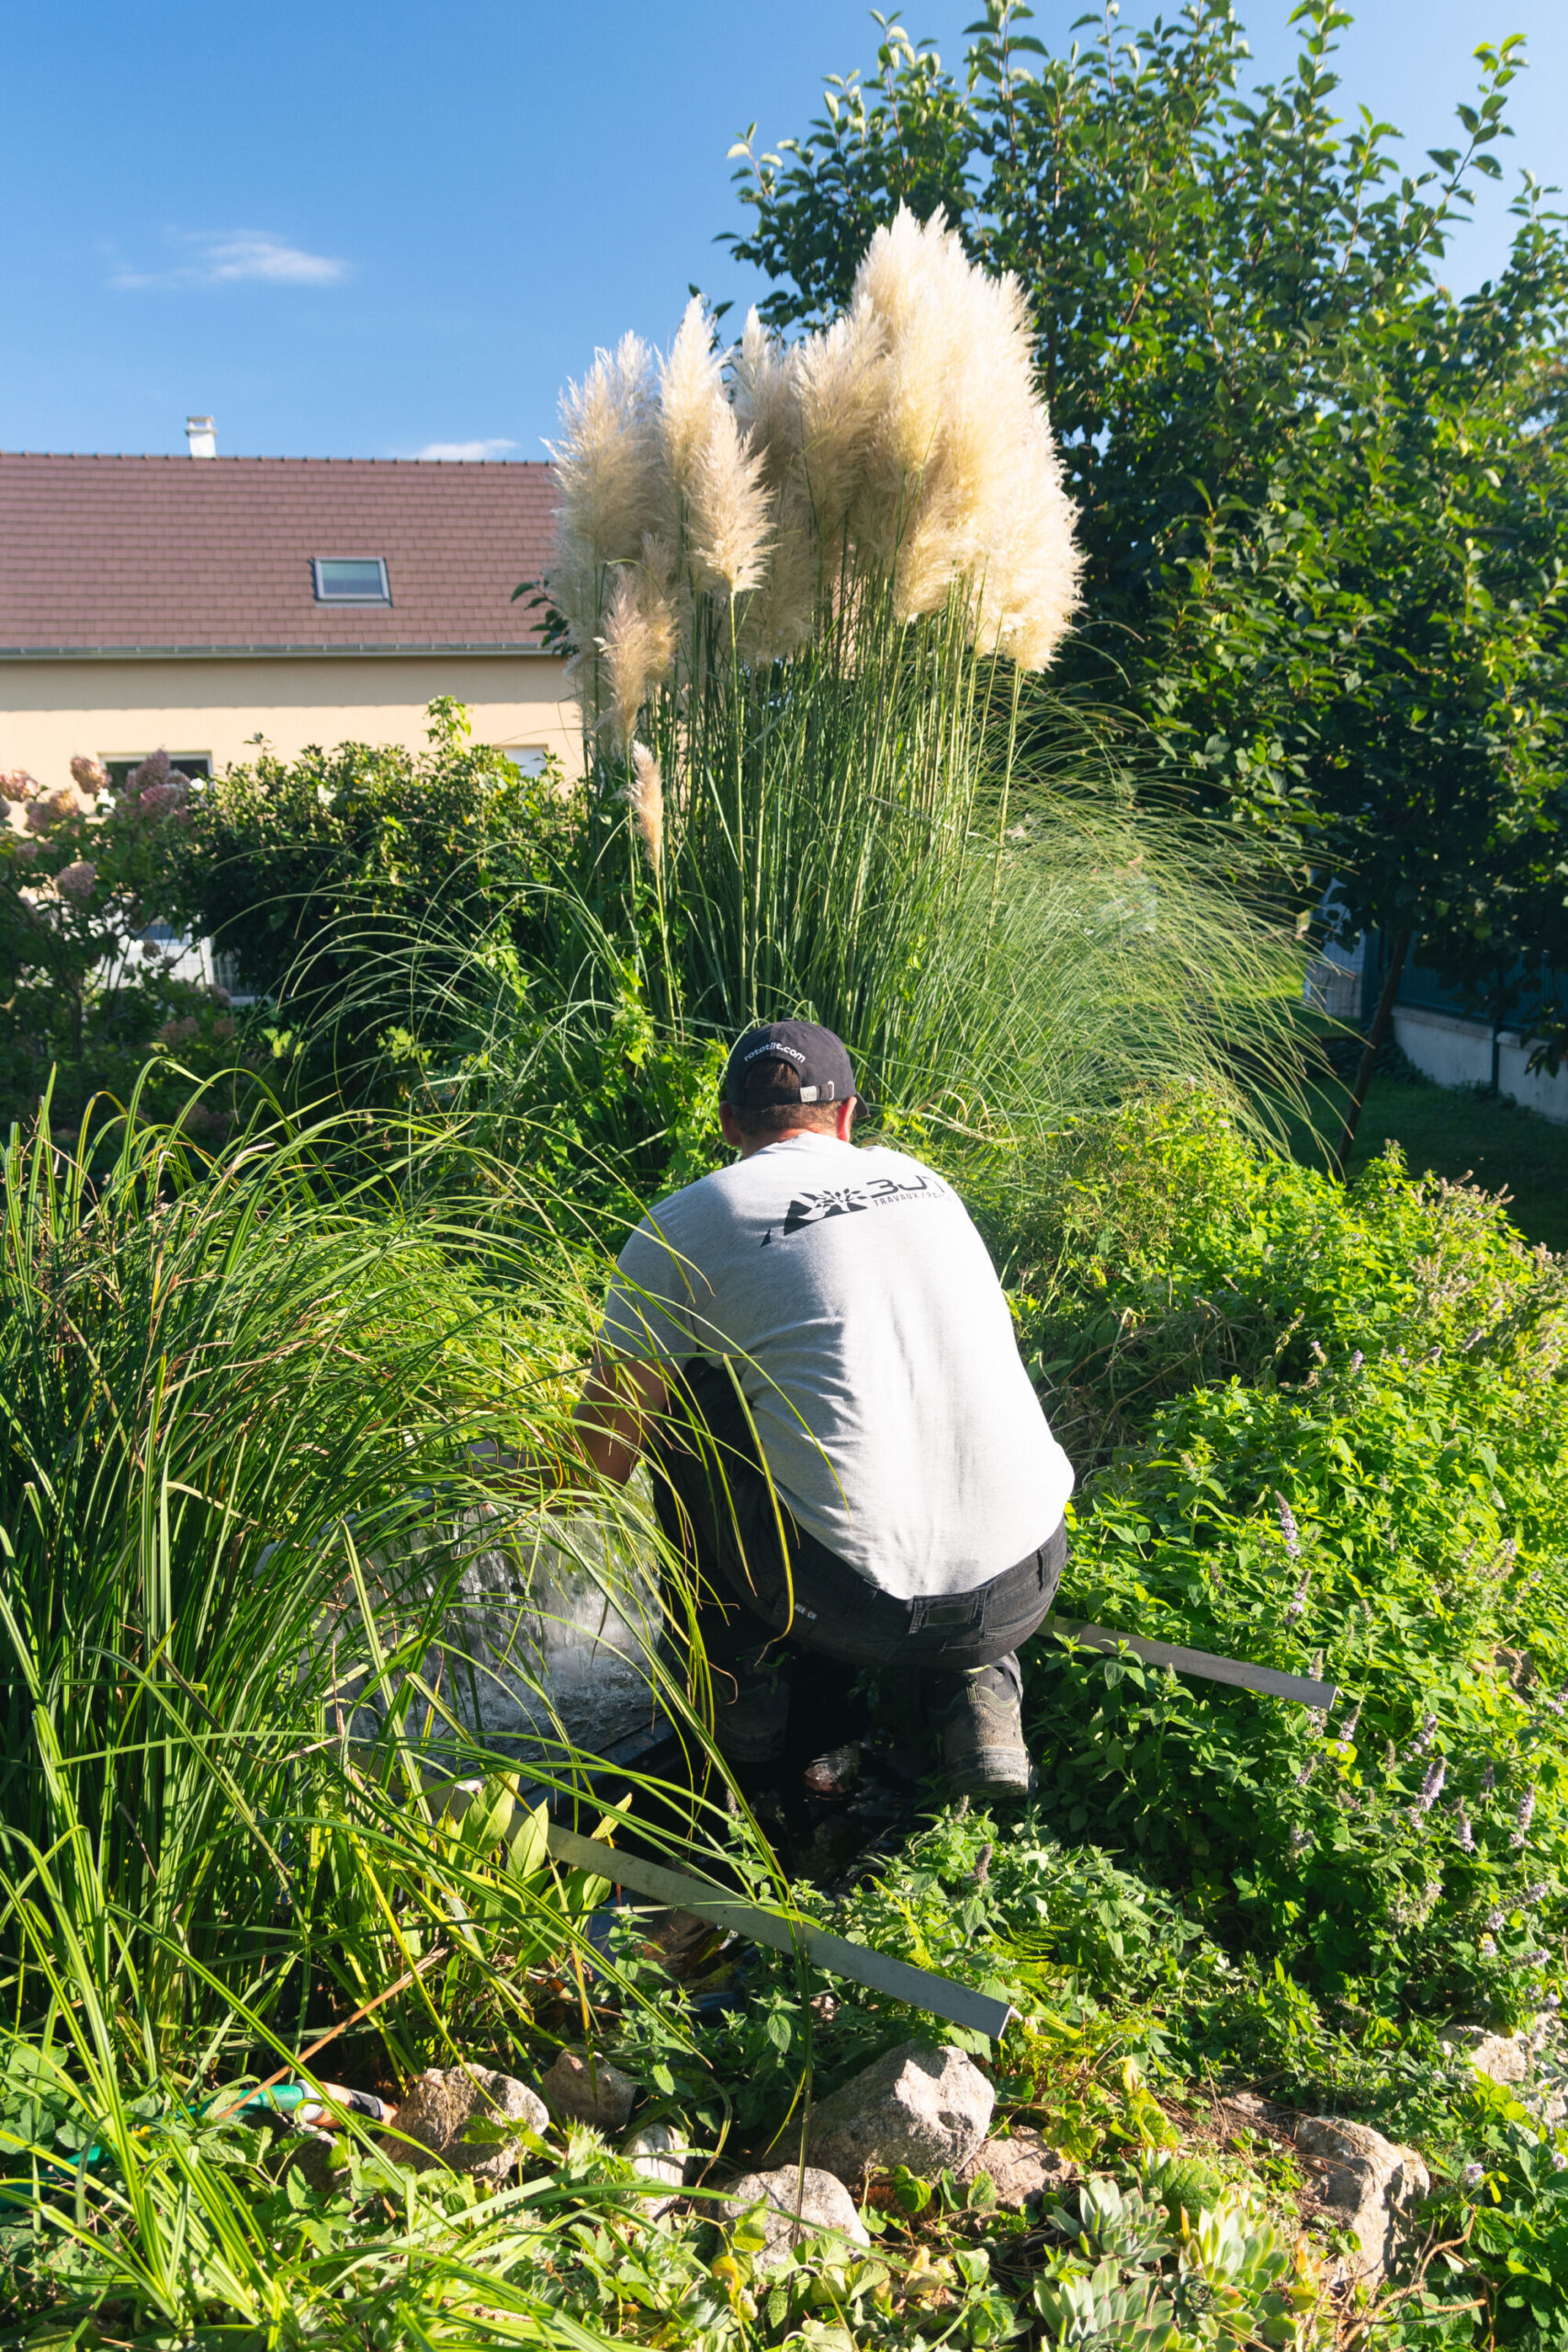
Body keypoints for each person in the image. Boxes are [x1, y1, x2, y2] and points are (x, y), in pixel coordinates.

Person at [575, 1019, 1074, 1800]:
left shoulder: (682, 1224)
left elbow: (597, 1465)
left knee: (678, 1396)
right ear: (848, 1117)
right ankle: (980, 1694)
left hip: (853, 1607)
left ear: (728, 1123)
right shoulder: (927, 1184)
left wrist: (504, 1473)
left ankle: (739, 1686)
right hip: (1023, 1584)